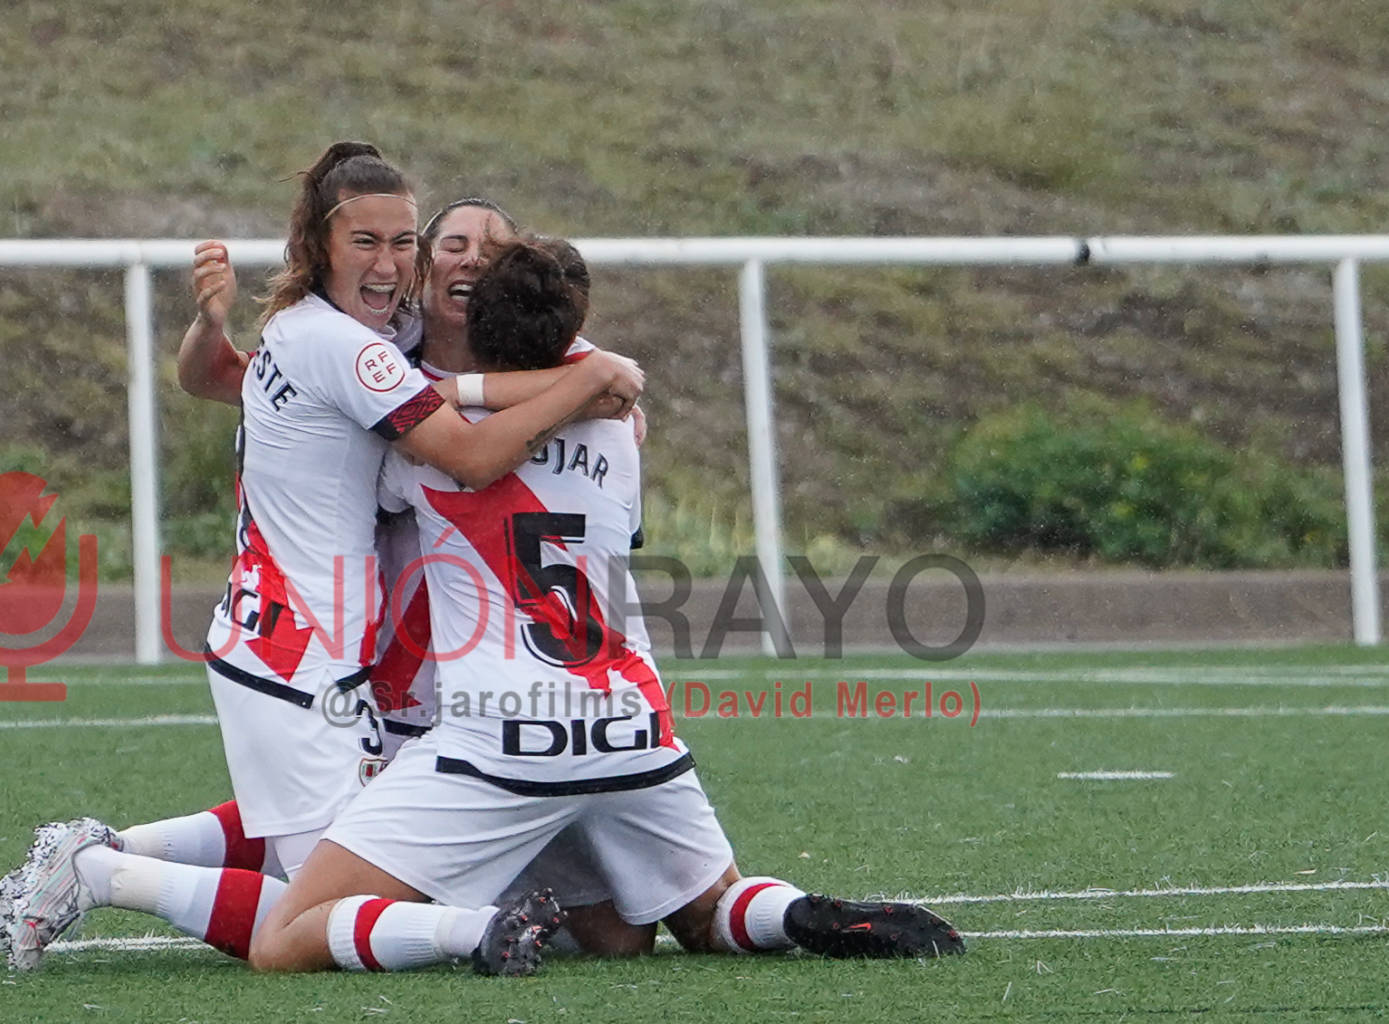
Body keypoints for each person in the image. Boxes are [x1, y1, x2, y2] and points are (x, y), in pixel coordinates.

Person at [0, 142, 643, 971]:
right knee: (320, 909)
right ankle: (101, 873)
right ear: (319, 247)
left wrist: (208, 327)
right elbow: (473, 459)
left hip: (316, 643)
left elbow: (215, 377)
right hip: (292, 651)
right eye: (367, 242)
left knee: (343, 835)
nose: (389, 261)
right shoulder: (345, 346)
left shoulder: (365, 332)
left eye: (401, 240)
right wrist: (587, 386)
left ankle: (102, 847)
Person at [241, 236, 967, 975]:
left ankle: (468, 933)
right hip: (633, 727)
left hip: (504, 742)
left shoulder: (421, 454)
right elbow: (575, 408)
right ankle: (789, 912)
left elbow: (390, 461)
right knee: (698, 914)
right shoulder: (620, 431)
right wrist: (588, 378)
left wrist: (442, 391)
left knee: (283, 934)